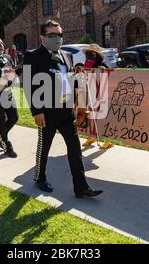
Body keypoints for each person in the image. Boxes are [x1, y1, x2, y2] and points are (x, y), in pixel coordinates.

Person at [24, 20, 103, 198]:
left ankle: (81, 187)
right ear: (42, 38)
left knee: (75, 149)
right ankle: (39, 177)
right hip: (46, 112)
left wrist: (79, 78)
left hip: (67, 112)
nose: (57, 38)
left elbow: (69, 81)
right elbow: (28, 86)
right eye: (52, 35)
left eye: (59, 35)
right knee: (44, 147)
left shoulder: (67, 55)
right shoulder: (33, 56)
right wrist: (36, 111)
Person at [80, 44, 114, 150]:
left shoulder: (102, 65)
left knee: (103, 118)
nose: (89, 56)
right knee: (90, 117)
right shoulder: (87, 65)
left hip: (102, 96)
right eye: (87, 54)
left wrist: (102, 70)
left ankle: (108, 140)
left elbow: (110, 77)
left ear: (97, 55)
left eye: (92, 54)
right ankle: (92, 137)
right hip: (90, 95)